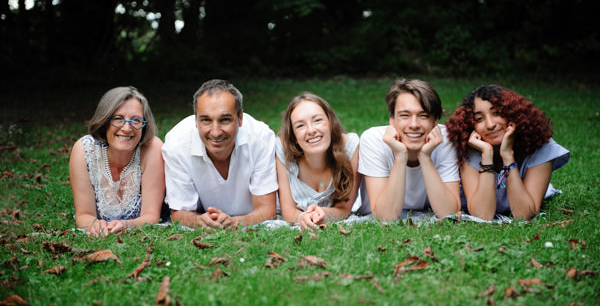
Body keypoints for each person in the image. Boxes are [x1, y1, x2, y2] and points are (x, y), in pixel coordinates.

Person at [161, 79, 277, 229]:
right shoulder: (177, 145)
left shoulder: (260, 138)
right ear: (196, 121)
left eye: (225, 120)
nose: (215, 132)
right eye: (206, 120)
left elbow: (267, 209)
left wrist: (235, 222)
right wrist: (199, 222)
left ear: (240, 118)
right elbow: (180, 212)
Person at [445, 84, 570, 221]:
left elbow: (523, 214)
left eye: (496, 113)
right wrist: (486, 155)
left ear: (513, 114)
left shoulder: (540, 147)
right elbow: (482, 215)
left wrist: (507, 155)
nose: (490, 124)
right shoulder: (468, 150)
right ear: (471, 126)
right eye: (479, 119)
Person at [69, 86, 165, 237]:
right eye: (118, 119)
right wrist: (94, 225)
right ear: (105, 121)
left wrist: (125, 225)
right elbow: (84, 214)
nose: (127, 128)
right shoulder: (84, 151)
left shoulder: (153, 148)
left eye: (136, 120)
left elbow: (151, 216)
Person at [359, 78, 460, 220]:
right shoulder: (373, 140)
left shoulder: (445, 140)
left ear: (436, 121)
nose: (414, 124)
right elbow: (385, 216)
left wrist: (425, 157)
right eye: (405, 115)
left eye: (423, 115)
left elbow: (449, 213)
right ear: (392, 119)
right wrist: (400, 156)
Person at [276, 93, 364, 229]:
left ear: (330, 122)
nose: (311, 130)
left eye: (317, 120)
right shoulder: (283, 151)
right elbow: (288, 210)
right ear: (293, 135)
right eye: (300, 126)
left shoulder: (350, 147)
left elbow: (343, 209)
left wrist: (323, 213)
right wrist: (302, 218)